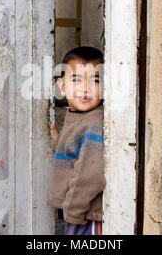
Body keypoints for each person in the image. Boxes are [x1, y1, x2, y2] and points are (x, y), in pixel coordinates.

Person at [47, 46, 105, 235]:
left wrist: (74, 211)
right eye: (77, 79)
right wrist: (60, 144)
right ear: (62, 87)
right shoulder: (78, 117)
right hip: (77, 211)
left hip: (86, 215)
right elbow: (77, 152)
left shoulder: (94, 123)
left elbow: (91, 174)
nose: (85, 88)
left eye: (95, 80)